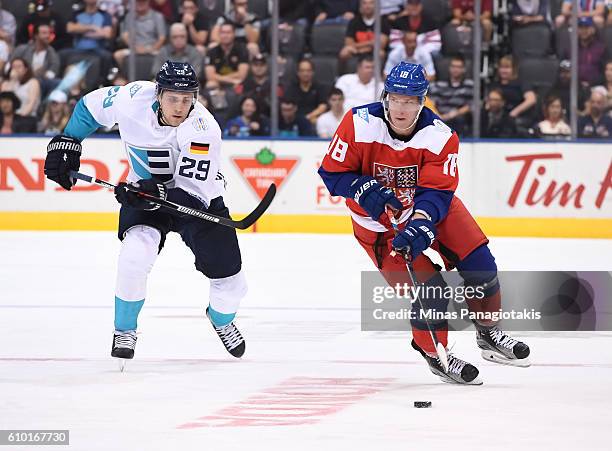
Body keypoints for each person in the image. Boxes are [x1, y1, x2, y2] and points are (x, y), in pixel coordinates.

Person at [318, 62, 530, 385]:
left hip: (429, 210)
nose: (401, 108)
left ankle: (488, 333)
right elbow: (332, 174)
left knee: (481, 265)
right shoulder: (358, 123)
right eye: (396, 98)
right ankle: (436, 354)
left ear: (423, 101)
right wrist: (358, 187)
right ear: (385, 96)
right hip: (378, 229)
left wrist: (422, 224)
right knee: (430, 290)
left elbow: (437, 193)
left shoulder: (440, 137)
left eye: (411, 100)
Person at [42, 61, 248, 363]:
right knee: (134, 257)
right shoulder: (132, 97)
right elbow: (89, 107)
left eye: (187, 98)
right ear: (158, 94)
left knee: (232, 283)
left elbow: (192, 197)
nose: (180, 106)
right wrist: (69, 142)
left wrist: (156, 193)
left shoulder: (204, 130)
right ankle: (125, 329)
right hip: (144, 194)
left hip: (197, 201)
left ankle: (221, 319)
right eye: (173, 98)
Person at [427, 55, 473, 136]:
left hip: (457, 118)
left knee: (459, 120)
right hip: (439, 117)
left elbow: (470, 105)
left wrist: (451, 115)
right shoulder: (439, 85)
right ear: (449, 68)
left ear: (464, 69)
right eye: (453, 66)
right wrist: (438, 116)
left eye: (459, 67)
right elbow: (432, 102)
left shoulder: (469, 85)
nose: (456, 69)